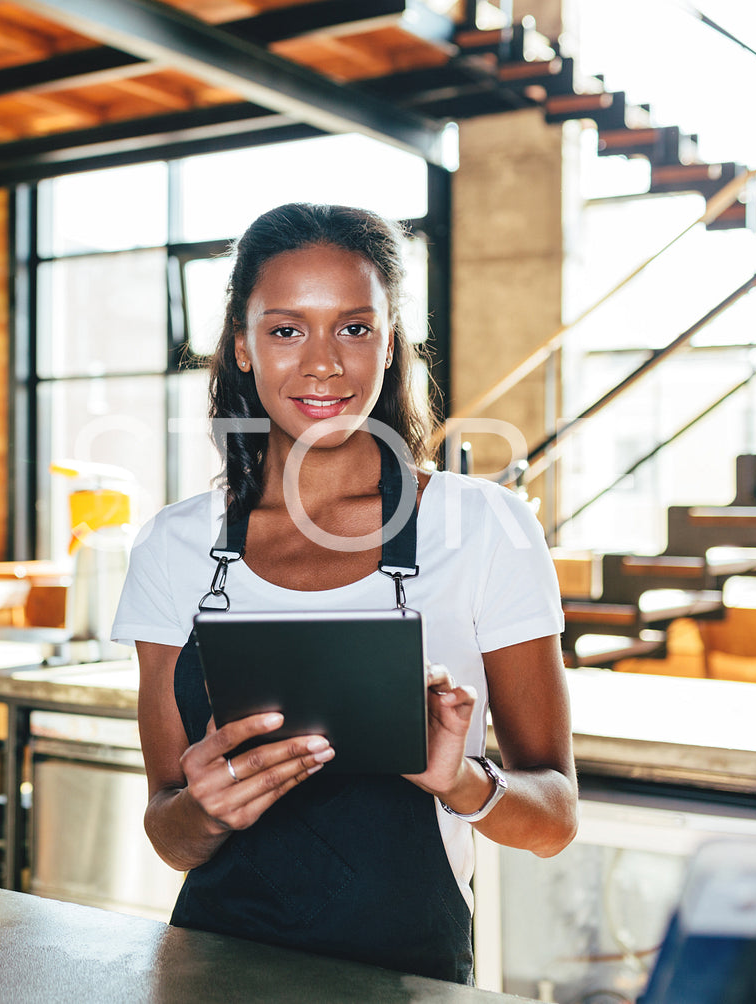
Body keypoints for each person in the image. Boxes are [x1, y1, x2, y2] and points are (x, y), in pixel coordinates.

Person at [110, 203, 577, 984]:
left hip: (406, 977)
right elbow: (170, 835)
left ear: (390, 345)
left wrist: (459, 778)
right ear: (242, 346)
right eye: (286, 329)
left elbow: (553, 820)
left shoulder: (484, 525)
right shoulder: (174, 546)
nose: (322, 363)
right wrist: (207, 807)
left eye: (353, 328)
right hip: (215, 966)